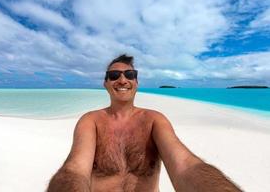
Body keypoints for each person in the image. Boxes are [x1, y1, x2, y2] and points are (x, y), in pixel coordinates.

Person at [47, 54, 242, 192]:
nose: (122, 80)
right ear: (105, 83)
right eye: (114, 75)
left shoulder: (154, 120)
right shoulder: (91, 121)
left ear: (136, 82)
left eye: (129, 75)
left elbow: (185, 165)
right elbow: (75, 170)